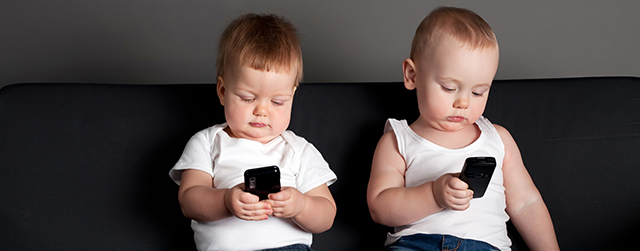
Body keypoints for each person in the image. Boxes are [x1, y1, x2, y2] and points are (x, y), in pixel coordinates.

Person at [366, 7, 560, 251]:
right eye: (449, 88)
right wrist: (434, 195)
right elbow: (380, 208)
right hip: (416, 245)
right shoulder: (398, 140)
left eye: (478, 92)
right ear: (412, 75)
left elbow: (526, 203)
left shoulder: (498, 138)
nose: (463, 103)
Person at [169, 13, 337, 251]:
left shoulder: (299, 149)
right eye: (248, 98)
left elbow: (327, 215)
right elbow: (189, 200)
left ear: (292, 96)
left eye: (277, 102)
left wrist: (301, 206)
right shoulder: (208, 142)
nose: (262, 111)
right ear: (222, 91)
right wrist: (227, 200)